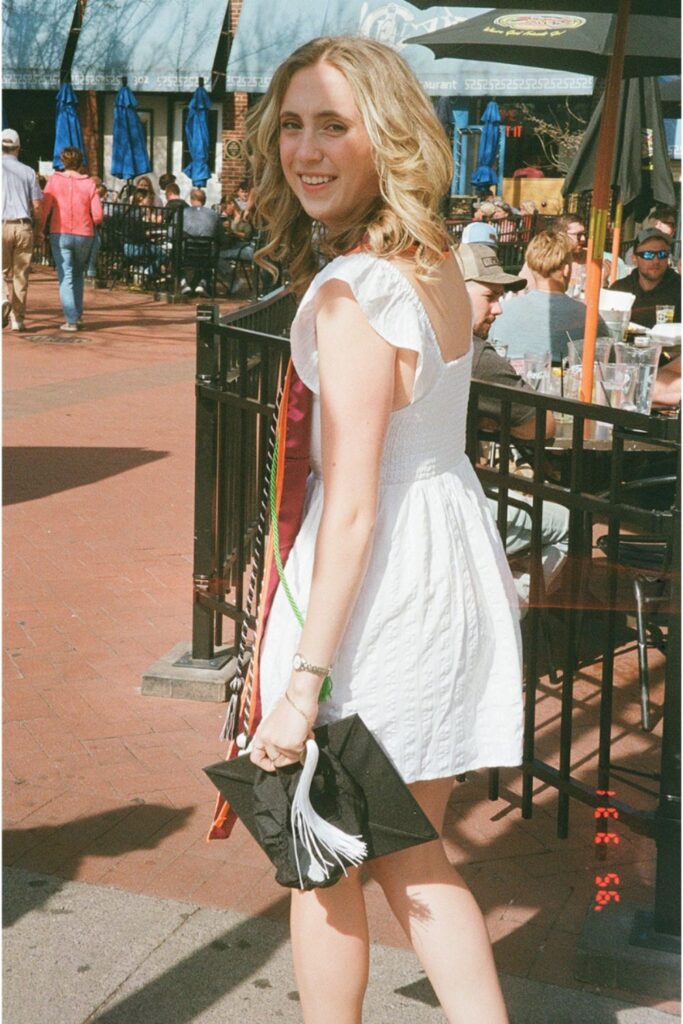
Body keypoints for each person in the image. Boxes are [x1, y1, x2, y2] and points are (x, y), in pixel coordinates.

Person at [227, 35, 522, 1024]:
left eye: (333, 125)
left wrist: (297, 691)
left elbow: (349, 501)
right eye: (293, 125)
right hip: (444, 567)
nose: (304, 150)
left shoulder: (352, 293)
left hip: (378, 599)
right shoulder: (432, 259)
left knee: (328, 866)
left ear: (383, 136)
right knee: (407, 856)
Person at [456, 242, 569, 606]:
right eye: (489, 296)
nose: (499, 308)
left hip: (434, 497)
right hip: (454, 508)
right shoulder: (472, 353)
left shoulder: (423, 334)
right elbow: (541, 427)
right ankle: (507, 621)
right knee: (569, 523)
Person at [489, 230, 610, 362]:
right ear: (566, 270)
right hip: (566, 380)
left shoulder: (500, 312)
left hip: (509, 380)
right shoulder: (589, 317)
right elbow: (607, 362)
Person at [38, 147, 103, 331]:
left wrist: (40, 230)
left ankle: (71, 319)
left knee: (65, 275)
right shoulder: (89, 183)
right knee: (77, 275)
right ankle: (77, 315)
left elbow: (45, 208)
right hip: (84, 234)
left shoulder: (54, 181)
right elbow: (98, 215)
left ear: (63, 161)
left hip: (60, 232)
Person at [2, 128, 43, 331]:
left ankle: (1, 298)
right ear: (18, 148)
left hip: (1, 224)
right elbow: (37, 205)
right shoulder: (28, 171)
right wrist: (40, 228)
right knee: (21, 275)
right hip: (23, 225)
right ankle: (17, 319)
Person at [609, 227, 681, 329]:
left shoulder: (679, 288)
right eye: (648, 255)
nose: (656, 261)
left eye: (662, 254)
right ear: (634, 258)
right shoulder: (621, 289)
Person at [179, 187, 224, 295]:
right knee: (212, 253)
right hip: (207, 256)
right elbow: (221, 236)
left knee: (174, 253)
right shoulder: (213, 215)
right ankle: (203, 282)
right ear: (204, 200)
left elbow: (171, 233)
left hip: (186, 255)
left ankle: (183, 281)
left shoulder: (183, 213)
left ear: (191, 199)